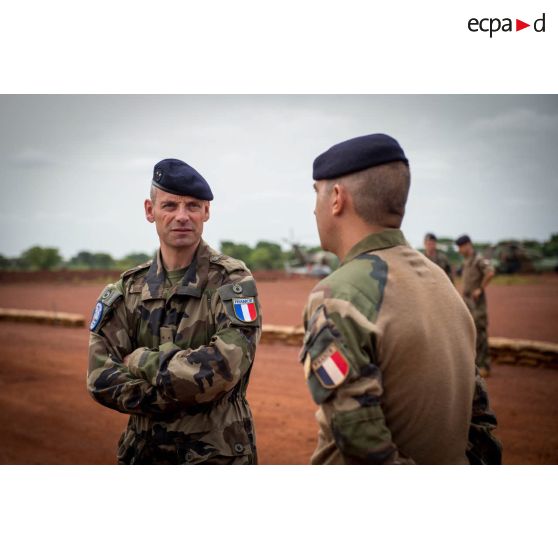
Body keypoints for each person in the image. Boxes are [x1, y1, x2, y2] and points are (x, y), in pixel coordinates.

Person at [300, 133, 501, 464]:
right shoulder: (441, 281)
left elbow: (360, 442)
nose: (313, 208)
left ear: (336, 198)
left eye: (316, 193)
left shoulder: (338, 295)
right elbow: (479, 415)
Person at [87, 158, 261, 464]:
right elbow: (100, 379)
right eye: (170, 206)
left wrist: (140, 360)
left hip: (214, 457)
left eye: (193, 206)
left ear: (206, 211)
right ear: (149, 210)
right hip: (143, 455)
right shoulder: (129, 289)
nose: (182, 216)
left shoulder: (231, 282)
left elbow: (221, 371)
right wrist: (180, 389)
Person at [456, 234, 495, 378]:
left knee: (481, 333)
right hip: (468, 304)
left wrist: (481, 288)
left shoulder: (478, 259)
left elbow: (490, 272)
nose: (459, 250)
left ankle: (485, 366)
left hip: (477, 305)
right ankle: (476, 364)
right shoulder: (467, 261)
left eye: (461, 247)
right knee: (471, 332)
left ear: (468, 245)